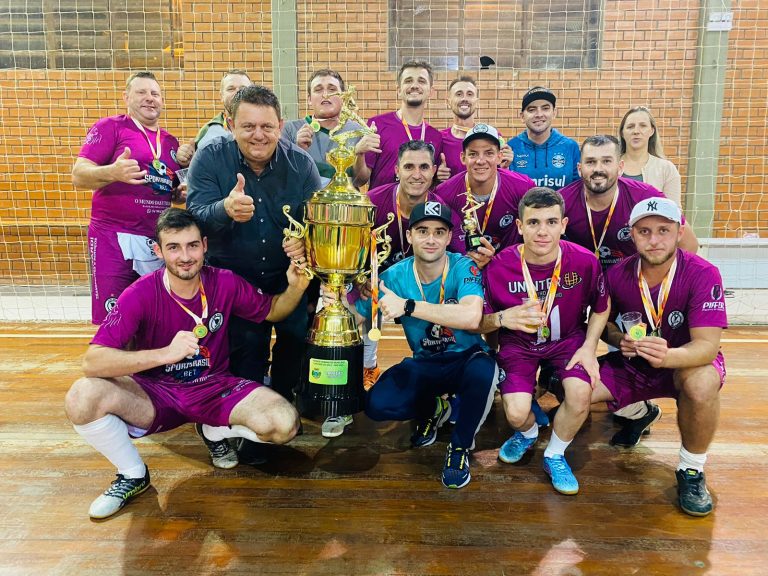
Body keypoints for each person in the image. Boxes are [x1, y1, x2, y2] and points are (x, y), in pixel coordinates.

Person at [64, 208, 310, 519]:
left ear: (204, 246)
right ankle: (132, 473)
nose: (185, 256)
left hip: (213, 387)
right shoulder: (139, 294)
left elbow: (272, 310)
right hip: (155, 393)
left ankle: (213, 431)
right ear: (158, 251)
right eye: (173, 247)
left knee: (285, 425)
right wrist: (164, 354)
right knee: (82, 396)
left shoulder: (224, 282)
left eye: (192, 245)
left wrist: (296, 287)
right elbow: (92, 361)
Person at [591, 197, 727, 516]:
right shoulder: (616, 274)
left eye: (663, 230)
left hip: (684, 364)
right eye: (645, 231)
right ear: (632, 235)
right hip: (635, 364)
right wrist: (619, 339)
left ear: (679, 232)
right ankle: (641, 414)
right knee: (574, 387)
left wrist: (668, 357)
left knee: (702, 383)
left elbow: (707, 346)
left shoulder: (704, 273)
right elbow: (605, 324)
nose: (654, 240)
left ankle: (691, 469)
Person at [186, 84, 320, 407]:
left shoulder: (302, 165)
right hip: (234, 283)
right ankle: (243, 412)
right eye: (248, 126)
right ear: (231, 125)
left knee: (295, 346)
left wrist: (304, 242)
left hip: (288, 279)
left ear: (281, 126)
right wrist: (224, 209)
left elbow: (318, 228)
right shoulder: (209, 158)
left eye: (267, 126)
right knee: (245, 358)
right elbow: (193, 221)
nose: (258, 135)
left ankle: (282, 406)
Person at [350, 201, 498, 489]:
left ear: (449, 237)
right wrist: (338, 292)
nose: (431, 239)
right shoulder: (392, 276)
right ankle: (434, 407)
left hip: (466, 358)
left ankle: (459, 448)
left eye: (439, 232)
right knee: (377, 405)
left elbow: (471, 316)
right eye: (422, 231)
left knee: (484, 371)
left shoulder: (463, 266)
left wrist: (407, 306)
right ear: (409, 235)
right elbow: (358, 315)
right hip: (426, 362)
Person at [477, 187, 609, 494]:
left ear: (563, 225)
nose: (542, 231)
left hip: (567, 341)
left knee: (580, 394)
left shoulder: (585, 261)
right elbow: (480, 321)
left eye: (551, 222)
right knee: (515, 414)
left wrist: (590, 347)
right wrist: (501, 319)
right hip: (518, 346)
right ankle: (528, 433)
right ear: (520, 226)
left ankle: (555, 454)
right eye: (533, 222)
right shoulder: (498, 266)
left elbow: (602, 307)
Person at [72, 71, 185, 325]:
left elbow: (169, 191)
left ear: (162, 100)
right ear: (126, 97)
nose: (150, 98)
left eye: (155, 93)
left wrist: (178, 194)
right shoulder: (110, 127)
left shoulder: (170, 142)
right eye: (141, 92)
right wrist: (112, 172)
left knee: (154, 317)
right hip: (112, 237)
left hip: (154, 239)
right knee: (114, 319)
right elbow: (78, 175)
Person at [559, 135, 698, 270]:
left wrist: (656, 278)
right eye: (590, 162)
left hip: (631, 280)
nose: (598, 169)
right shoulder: (562, 201)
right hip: (582, 278)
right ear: (579, 169)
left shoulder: (645, 196)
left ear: (620, 167)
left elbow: (689, 244)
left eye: (607, 161)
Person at [435, 123, 535, 264]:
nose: (480, 161)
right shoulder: (444, 193)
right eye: (473, 154)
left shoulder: (523, 187)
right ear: (463, 158)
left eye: (489, 153)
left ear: (499, 156)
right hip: (462, 268)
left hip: (510, 267)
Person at [281, 68, 379, 187]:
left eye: (332, 89)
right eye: (318, 90)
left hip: (344, 199)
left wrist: (359, 154)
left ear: (343, 97)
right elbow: (281, 177)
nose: (326, 95)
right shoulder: (290, 129)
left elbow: (359, 182)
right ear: (309, 100)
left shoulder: (358, 131)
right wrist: (298, 150)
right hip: (305, 199)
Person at [360, 60, 445, 189]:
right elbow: (359, 181)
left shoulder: (436, 136)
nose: (414, 85)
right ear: (399, 90)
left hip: (419, 202)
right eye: (408, 81)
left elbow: (432, 183)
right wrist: (359, 154)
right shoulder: (377, 125)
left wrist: (440, 177)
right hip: (382, 202)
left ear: (431, 91)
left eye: (421, 81)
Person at [439, 76, 512, 177]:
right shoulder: (439, 139)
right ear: (448, 102)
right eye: (459, 94)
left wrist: (505, 167)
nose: (464, 99)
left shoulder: (493, 136)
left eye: (470, 94)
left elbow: (501, 176)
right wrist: (436, 176)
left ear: (476, 102)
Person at [508, 87, 580, 190]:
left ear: (554, 113)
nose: (539, 114)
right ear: (522, 116)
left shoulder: (570, 147)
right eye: (532, 110)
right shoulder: (511, 148)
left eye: (545, 108)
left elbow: (578, 189)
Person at [619, 105, 682, 206]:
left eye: (643, 126)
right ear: (622, 132)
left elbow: (674, 210)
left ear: (652, 131)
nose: (636, 131)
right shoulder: (610, 165)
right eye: (630, 127)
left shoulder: (666, 169)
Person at [194, 69, 252, 151]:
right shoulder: (208, 132)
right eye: (231, 89)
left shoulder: (265, 127)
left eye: (243, 88)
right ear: (221, 96)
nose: (237, 92)